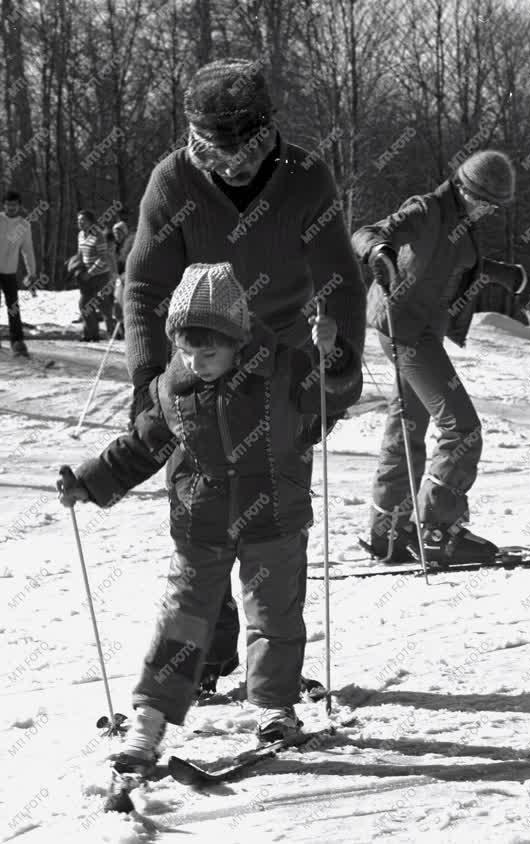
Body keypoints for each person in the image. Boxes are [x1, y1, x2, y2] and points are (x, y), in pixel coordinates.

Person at [57, 261, 362, 772]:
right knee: (183, 618)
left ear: (238, 338)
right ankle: (150, 721)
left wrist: (332, 354)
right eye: (186, 349)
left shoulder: (283, 370)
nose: (196, 361)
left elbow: (335, 394)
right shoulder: (171, 390)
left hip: (274, 517)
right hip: (201, 521)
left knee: (274, 616)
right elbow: (140, 447)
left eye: (209, 351)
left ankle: (274, 708)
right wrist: (91, 481)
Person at [124, 59, 366, 697]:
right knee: (199, 508)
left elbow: (340, 277)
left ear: (267, 131)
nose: (232, 163)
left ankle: (273, 669)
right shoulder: (172, 182)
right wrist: (148, 379)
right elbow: (145, 285)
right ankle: (208, 654)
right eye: (216, 149)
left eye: (245, 148)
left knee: (272, 520)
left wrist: (336, 372)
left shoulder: (304, 177)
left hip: (280, 367)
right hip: (196, 366)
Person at [351, 150, 516, 564]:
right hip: (404, 328)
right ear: (462, 187)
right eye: (483, 202)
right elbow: (366, 232)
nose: (486, 211)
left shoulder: (461, 222)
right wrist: (378, 251)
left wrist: (502, 273)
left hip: (421, 331)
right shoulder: (425, 209)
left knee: (406, 426)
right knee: (462, 429)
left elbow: (451, 265)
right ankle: (437, 531)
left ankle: (386, 530)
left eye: (492, 207)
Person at [0, 190, 37, 356]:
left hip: (9, 271)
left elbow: (27, 251)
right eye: (8, 205)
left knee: (13, 307)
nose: (11, 208)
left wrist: (32, 272)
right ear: (4, 205)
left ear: (19, 206)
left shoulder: (24, 225)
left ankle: (17, 342)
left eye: (14, 205)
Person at [76, 210, 115, 340]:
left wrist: (91, 272)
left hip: (100, 275)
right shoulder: (81, 235)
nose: (80, 223)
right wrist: (77, 267)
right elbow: (80, 254)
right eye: (79, 220)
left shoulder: (98, 236)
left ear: (91, 222)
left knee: (104, 306)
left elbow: (103, 257)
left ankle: (115, 333)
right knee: (84, 305)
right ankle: (91, 334)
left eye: (83, 220)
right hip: (86, 275)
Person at [112, 220, 135, 339]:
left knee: (124, 306)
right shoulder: (116, 246)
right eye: (115, 233)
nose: (117, 235)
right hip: (119, 279)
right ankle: (122, 333)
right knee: (117, 307)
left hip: (128, 278)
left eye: (119, 232)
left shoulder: (130, 243)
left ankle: (128, 334)